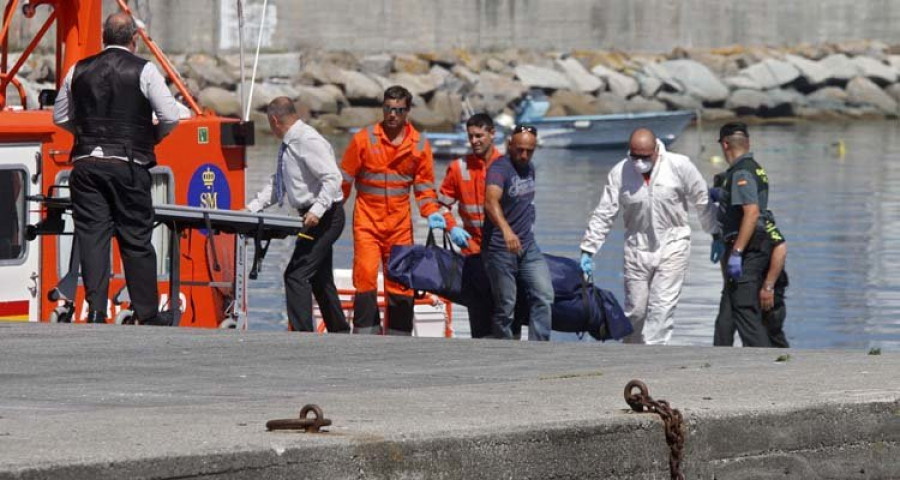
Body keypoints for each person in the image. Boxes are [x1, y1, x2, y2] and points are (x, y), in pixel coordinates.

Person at [53, 12, 179, 325]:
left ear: (103, 36)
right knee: (135, 237)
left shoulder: (78, 70)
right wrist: (151, 138)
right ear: (134, 40)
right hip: (128, 162)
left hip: (86, 163)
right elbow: (171, 117)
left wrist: (84, 135)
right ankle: (146, 312)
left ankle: (96, 311)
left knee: (93, 236)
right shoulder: (144, 69)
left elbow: (59, 117)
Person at [580, 128, 717, 344]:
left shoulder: (679, 166)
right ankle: (632, 354)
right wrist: (588, 249)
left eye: (645, 156)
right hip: (636, 248)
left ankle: (654, 359)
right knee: (636, 311)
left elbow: (701, 199)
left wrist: (715, 233)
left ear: (656, 150)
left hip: (673, 245)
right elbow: (605, 212)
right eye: (635, 156)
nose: (640, 162)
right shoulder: (621, 172)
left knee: (661, 308)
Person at [340, 85, 443, 335]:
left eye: (398, 110)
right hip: (367, 221)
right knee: (364, 275)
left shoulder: (419, 145)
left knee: (400, 281)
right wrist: (331, 210)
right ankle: (365, 333)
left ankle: (399, 338)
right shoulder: (363, 139)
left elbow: (425, 189)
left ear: (407, 111)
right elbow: (343, 180)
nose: (392, 114)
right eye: (388, 109)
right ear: (383, 109)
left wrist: (431, 213)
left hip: (399, 225)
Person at [246, 97, 350, 334]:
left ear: (274, 120)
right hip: (313, 217)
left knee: (296, 275)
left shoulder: (307, 140)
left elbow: (333, 178)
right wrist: (253, 208)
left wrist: (316, 210)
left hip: (325, 216)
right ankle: (341, 332)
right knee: (319, 279)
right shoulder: (290, 143)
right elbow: (279, 183)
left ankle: (302, 335)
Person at [711, 122, 783, 348]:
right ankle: (718, 357)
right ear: (748, 143)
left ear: (724, 144)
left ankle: (763, 363)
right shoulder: (752, 168)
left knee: (744, 310)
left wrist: (737, 252)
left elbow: (751, 213)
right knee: (726, 315)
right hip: (744, 245)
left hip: (748, 249)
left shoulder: (741, 172)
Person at [482, 125, 553, 341]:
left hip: (527, 245)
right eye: (519, 149)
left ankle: (538, 349)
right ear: (509, 145)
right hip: (500, 248)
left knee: (545, 295)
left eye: (529, 151)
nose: (524, 155)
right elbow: (490, 201)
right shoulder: (499, 169)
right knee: (506, 306)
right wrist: (506, 231)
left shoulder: (529, 168)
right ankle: (504, 352)